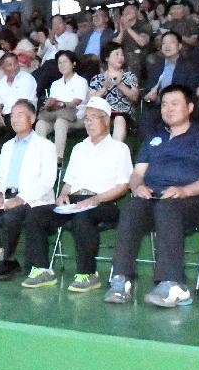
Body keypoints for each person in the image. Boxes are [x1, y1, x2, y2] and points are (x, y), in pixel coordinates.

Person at [105, 84, 199, 308]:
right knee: (132, 207)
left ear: (189, 107)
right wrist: (137, 187)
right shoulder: (154, 139)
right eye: (164, 104)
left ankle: (173, 284)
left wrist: (184, 190)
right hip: (155, 198)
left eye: (174, 104)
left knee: (168, 207)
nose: (168, 109)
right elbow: (137, 174)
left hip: (191, 201)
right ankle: (121, 280)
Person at [20, 97, 132, 292]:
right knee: (35, 213)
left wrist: (95, 199)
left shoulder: (119, 149)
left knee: (83, 216)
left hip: (104, 203)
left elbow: (123, 186)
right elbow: (68, 183)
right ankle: (42, 269)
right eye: (86, 119)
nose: (88, 123)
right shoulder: (79, 148)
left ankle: (88, 274)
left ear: (106, 121)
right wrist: (63, 195)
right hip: (74, 201)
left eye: (93, 118)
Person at [0, 100, 57, 281]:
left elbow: (47, 181)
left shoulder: (45, 145)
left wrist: (20, 199)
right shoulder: (7, 146)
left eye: (20, 114)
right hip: (7, 198)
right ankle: (6, 257)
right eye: (12, 115)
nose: (14, 119)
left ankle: (8, 260)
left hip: (32, 201)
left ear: (32, 119)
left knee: (11, 216)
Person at [140, 32, 199, 137]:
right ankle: (152, 151)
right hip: (158, 108)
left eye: (171, 42)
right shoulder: (156, 67)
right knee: (146, 121)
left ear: (180, 46)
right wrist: (149, 98)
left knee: (165, 123)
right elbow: (147, 96)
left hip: (180, 107)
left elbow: (191, 92)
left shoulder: (190, 66)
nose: (167, 46)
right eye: (164, 43)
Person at [35, 51, 88, 162]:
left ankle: (58, 159)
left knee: (60, 122)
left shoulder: (81, 81)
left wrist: (61, 103)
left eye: (65, 62)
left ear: (73, 64)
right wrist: (50, 104)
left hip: (77, 118)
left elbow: (76, 102)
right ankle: (42, 158)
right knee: (40, 124)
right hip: (57, 116)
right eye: (59, 63)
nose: (62, 65)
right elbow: (52, 103)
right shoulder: (55, 84)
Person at [87, 41, 139, 141]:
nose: (120, 57)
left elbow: (134, 97)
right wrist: (104, 88)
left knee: (119, 118)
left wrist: (119, 84)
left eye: (122, 54)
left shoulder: (129, 76)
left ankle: (115, 152)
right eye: (117, 54)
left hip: (124, 114)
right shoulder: (97, 79)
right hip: (103, 114)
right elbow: (90, 101)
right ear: (107, 58)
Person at [0, 53, 37, 130]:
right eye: (9, 65)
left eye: (16, 64)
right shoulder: (0, 84)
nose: (13, 67)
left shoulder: (26, 78)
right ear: (3, 67)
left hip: (24, 114)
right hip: (7, 118)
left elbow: (23, 102)